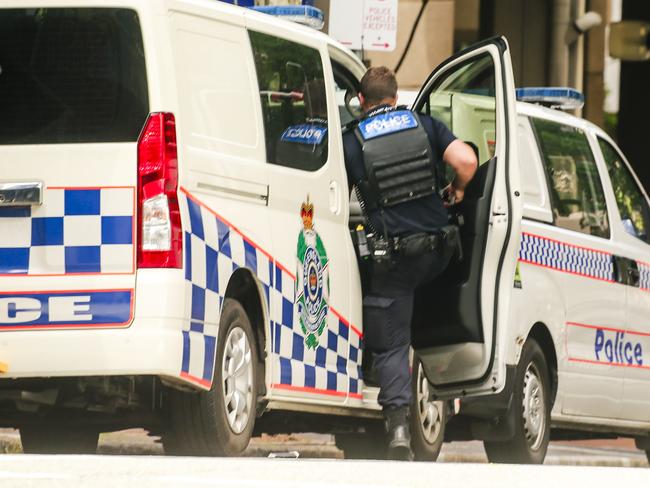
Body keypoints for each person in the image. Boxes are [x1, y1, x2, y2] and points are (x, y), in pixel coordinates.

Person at [343, 66, 478, 460]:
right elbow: (467, 161)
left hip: (395, 260)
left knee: (390, 341)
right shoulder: (424, 125)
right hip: (437, 252)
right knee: (429, 312)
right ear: (396, 98)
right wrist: (457, 188)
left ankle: (399, 428)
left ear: (362, 102)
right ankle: (449, 383)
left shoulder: (353, 141)